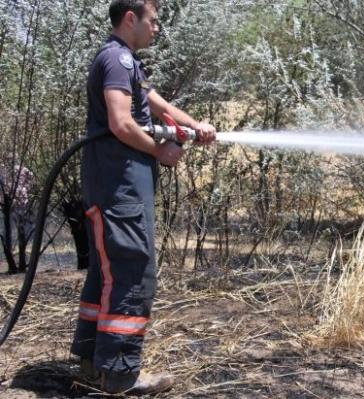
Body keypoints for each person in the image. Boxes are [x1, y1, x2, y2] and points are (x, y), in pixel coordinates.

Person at [70, 0, 216, 395]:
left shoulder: (124, 61)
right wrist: (159, 150)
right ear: (131, 18)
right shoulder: (117, 60)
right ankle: (120, 375)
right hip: (120, 188)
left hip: (111, 183)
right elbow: (120, 123)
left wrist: (196, 127)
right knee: (134, 273)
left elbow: (161, 107)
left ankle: (90, 363)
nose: (157, 29)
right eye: (153, 21)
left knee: (107, 272)